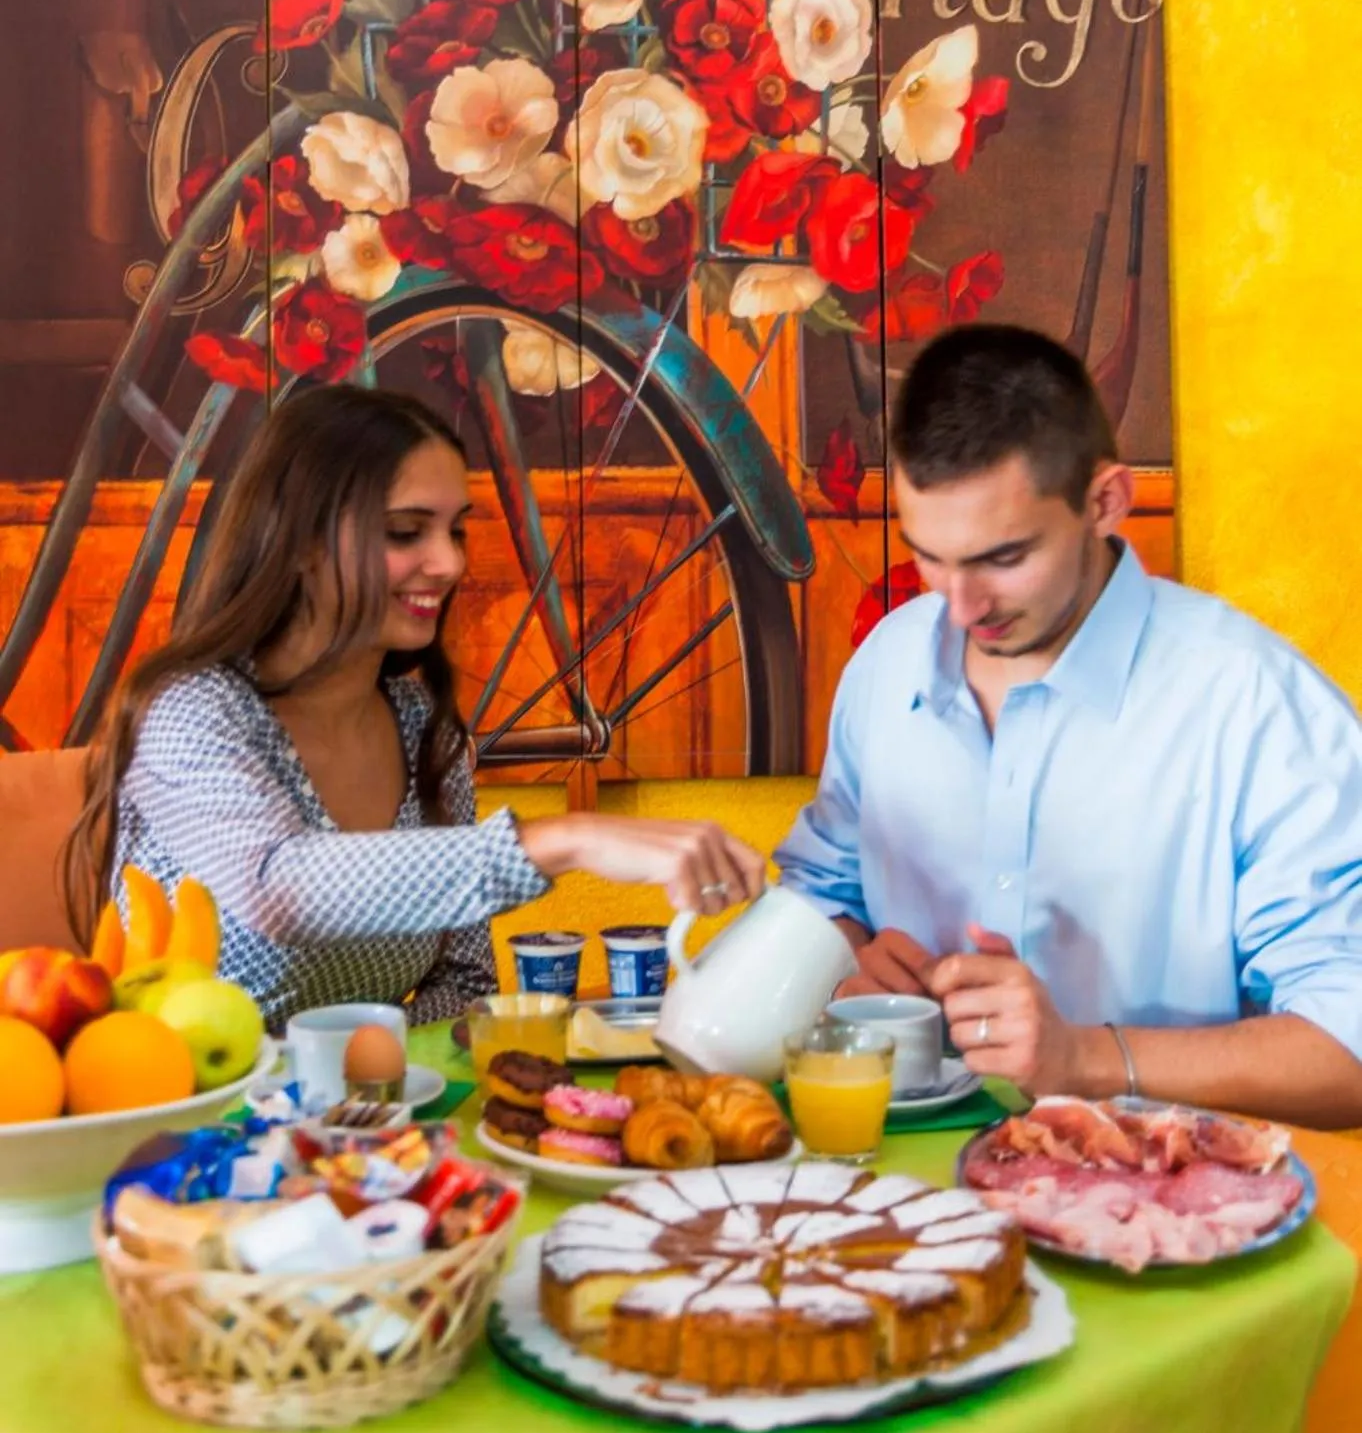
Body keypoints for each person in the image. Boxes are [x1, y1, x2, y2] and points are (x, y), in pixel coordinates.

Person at [775, 324, 1362, 1128]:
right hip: (902, 1201)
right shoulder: (887, 660)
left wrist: (1086, 1056)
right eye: (929, 555)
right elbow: (822, 897)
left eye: (1004, 556)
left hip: (1163, 1217)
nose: (959, 604)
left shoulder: (1259, 704)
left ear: (1105, 500)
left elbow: (1346, 1049)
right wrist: (846, 966)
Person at [64, 386, 764, 1030]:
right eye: (406, 531)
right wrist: (565, 837)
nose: (450, 562)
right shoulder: (190, 711)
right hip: (189, 1134)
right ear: (302, 542)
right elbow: (282, 888)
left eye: (455, 529)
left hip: (359, 1140)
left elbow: (464, 979)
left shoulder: (422, 725)